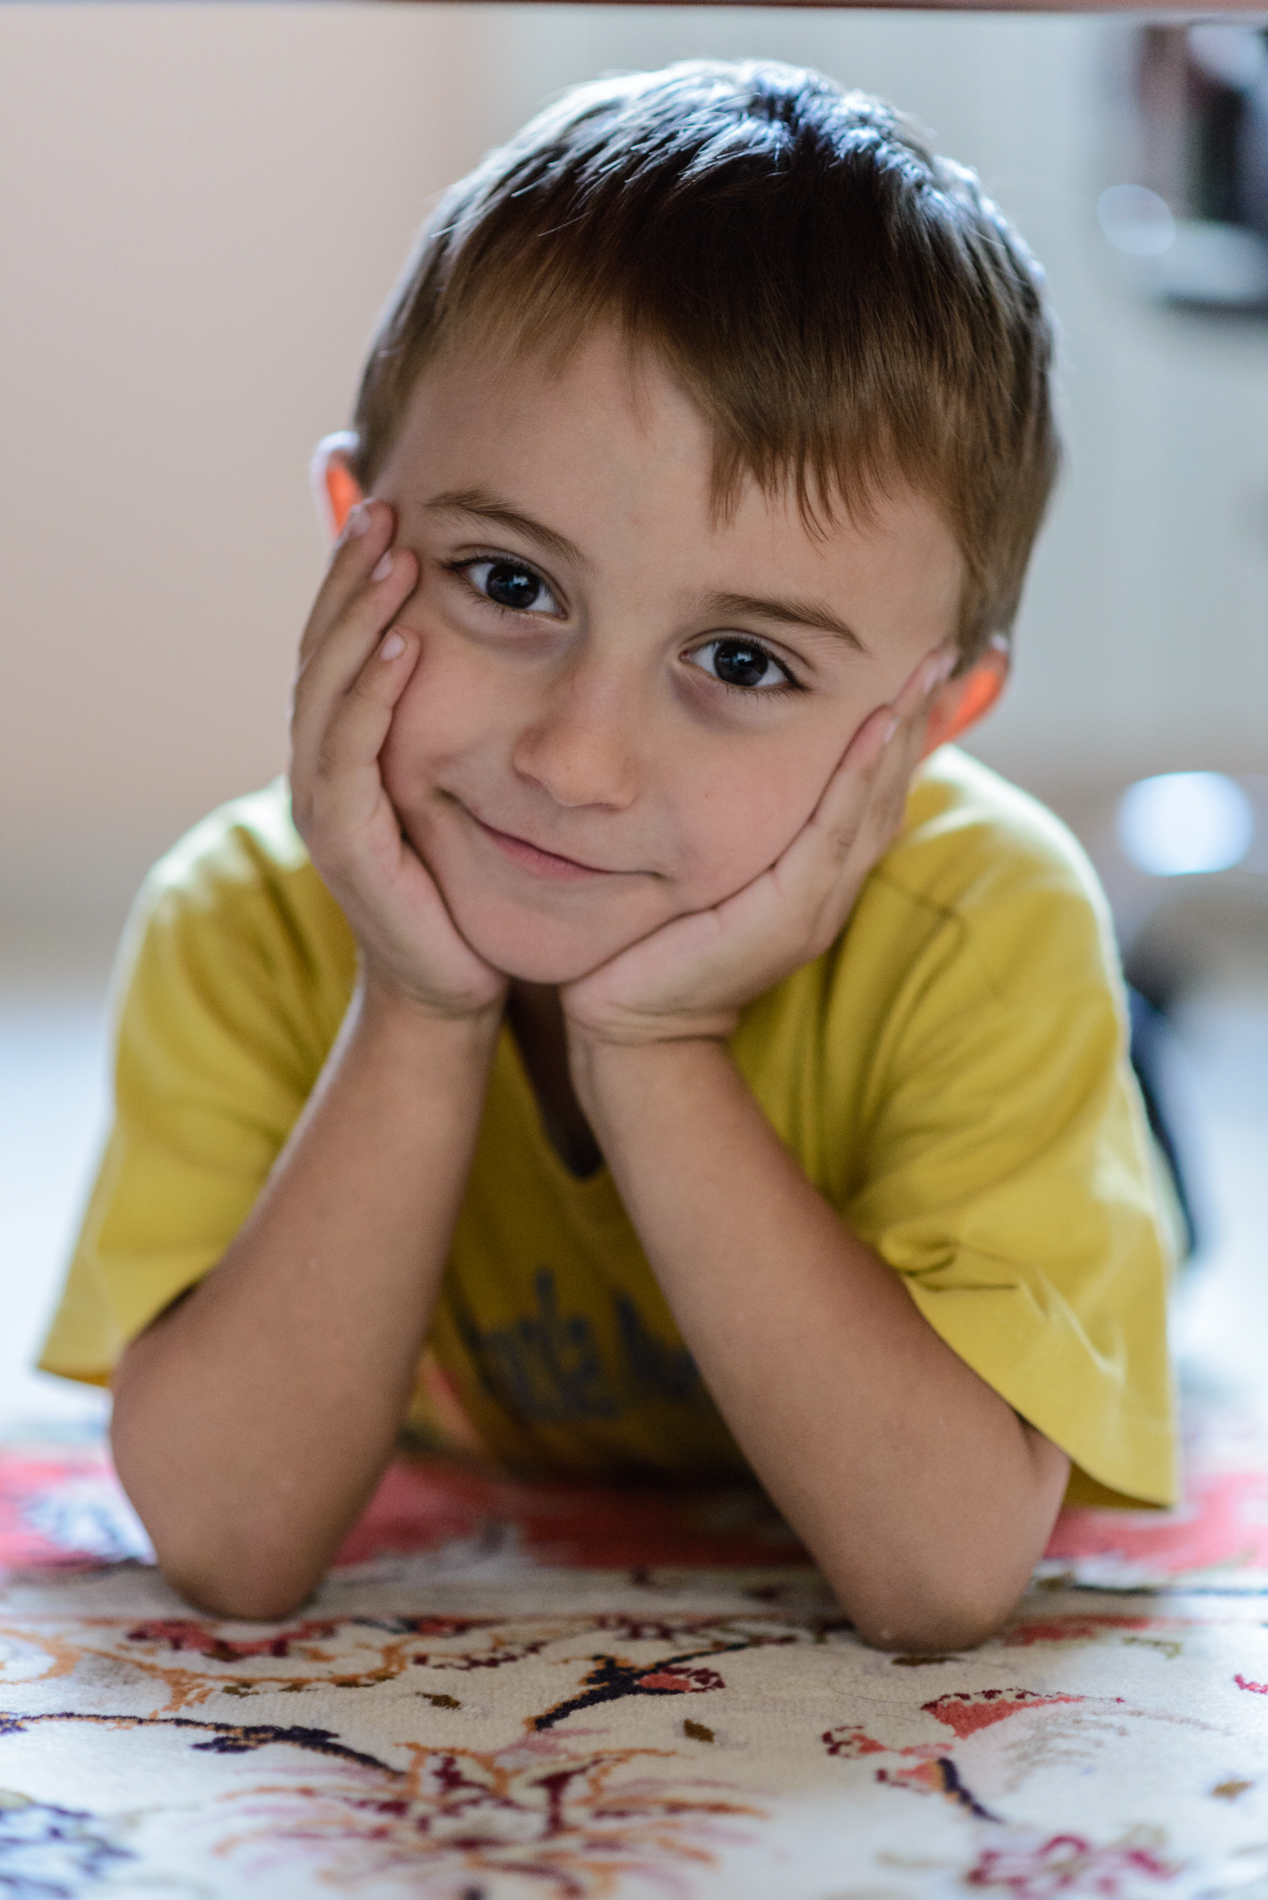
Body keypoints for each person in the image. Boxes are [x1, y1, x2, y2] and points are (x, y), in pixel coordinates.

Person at [39, 61, 1177, 1651]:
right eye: (508, 584)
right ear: (353, 527)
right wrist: (419, 1009)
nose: (575, 761)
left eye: (746, 664)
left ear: (932, 725)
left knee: (1146, 1196)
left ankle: (1147, 1126)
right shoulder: (247, 919)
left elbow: (940, 1575)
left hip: (968, 1040)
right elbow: (232, 1541)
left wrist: (654, 1042)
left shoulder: (982, 925)